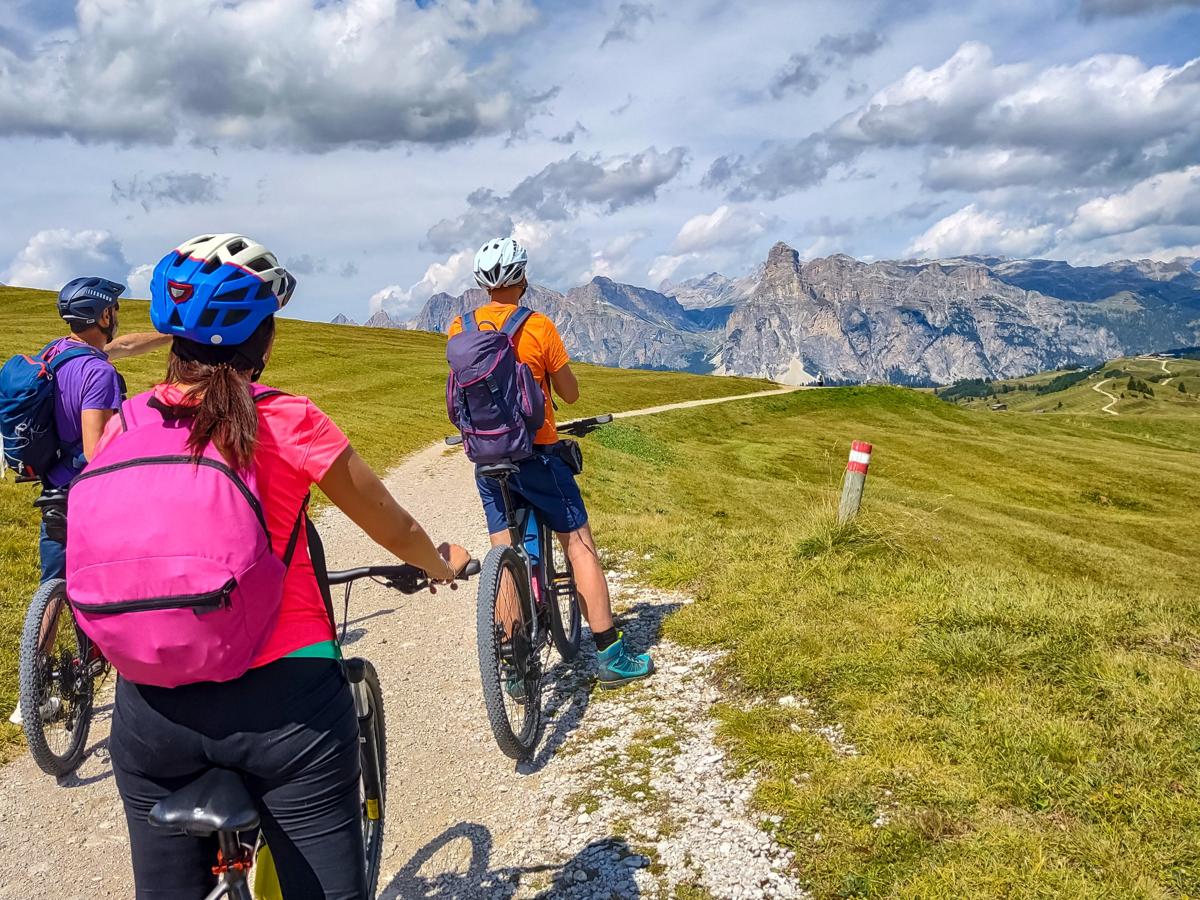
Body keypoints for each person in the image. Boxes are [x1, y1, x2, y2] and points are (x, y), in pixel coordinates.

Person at [100, 234, 471, 899]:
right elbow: (394, 526)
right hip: (283, 708)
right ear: (262, 340)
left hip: (149, 712)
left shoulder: (124, 425)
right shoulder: (288, 420)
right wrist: (440, 565)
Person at [449, 237, 654, 689]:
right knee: (578, 543)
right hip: (537, 452)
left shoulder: (458, 328)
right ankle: (611, 654)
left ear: (483, 284)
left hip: (485, 459)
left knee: (502, 548)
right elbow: (571, 393)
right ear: (521, 278)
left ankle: (511, 661)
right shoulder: (538, 327)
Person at [37, 277, 170, 582]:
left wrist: (173, 336)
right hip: (84, 494)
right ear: (104, 316)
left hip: (53, 485)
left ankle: (42, 628)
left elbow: (123, 346)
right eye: (114, 309)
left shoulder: (57, 352)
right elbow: (94, 450)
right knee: (108, 585)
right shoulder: (99, 372)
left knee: (54, 586)